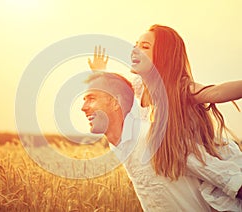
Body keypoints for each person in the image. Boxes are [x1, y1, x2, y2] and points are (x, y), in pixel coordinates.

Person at [87, 25, 242, 211]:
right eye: (136, 44)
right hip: (176, 159)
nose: (135, 49)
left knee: (230, 190)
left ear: (162, 56)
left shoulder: (178, 88)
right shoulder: (140, 85)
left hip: (200, 155)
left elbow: (215, 92)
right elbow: (113, 93)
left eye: (144, 46)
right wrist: (99, 73)